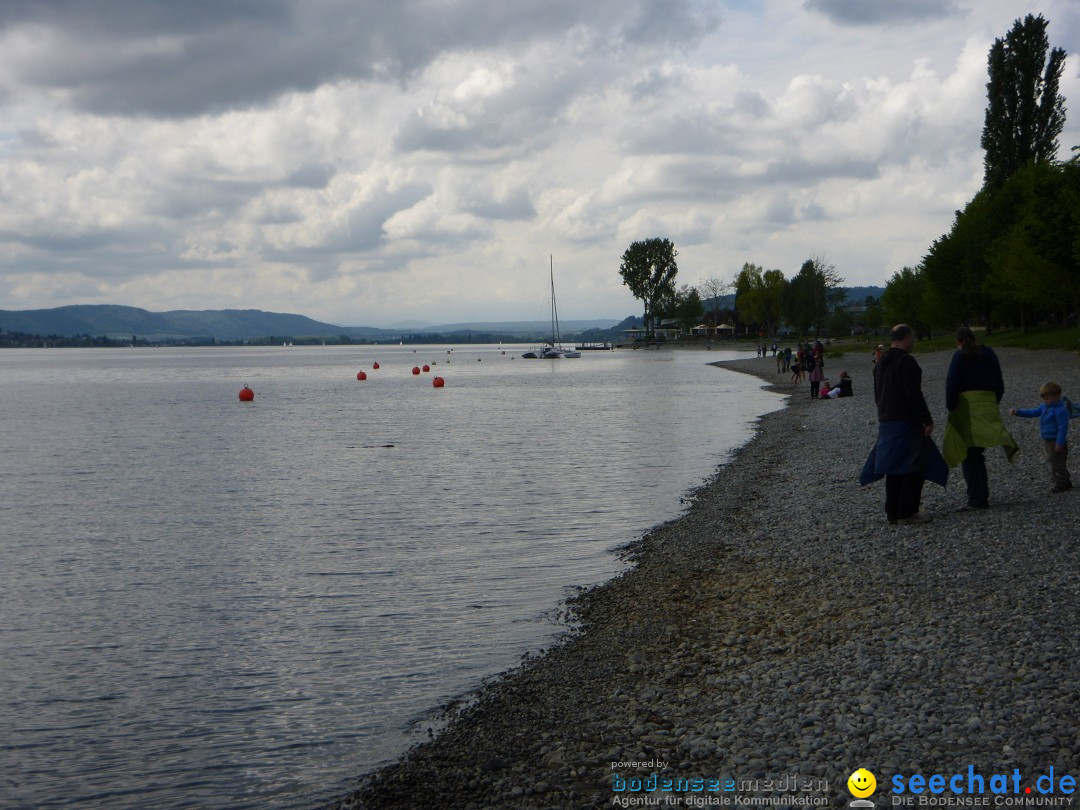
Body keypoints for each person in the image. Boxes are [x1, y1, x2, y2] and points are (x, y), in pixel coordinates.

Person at [859, 324, 947, 525]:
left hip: (886, 420)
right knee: (914, 465)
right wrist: (927, 419)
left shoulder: (880, 364)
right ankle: (906, 512)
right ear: (907, 337)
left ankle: (893, 512)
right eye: (912, 337)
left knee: (893, 466)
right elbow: (914, 395)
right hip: (906, 420)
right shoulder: (906, 362)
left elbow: (877, 394)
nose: (913, 341)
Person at [942, 327, 1017, 510]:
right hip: (987, 405)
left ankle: (977, 499)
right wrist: (992, 403)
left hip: (967, 408)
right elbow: (999, 384)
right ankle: (981, 495)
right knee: (977, 453)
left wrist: (951, 407)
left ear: (958, 342)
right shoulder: (989, 354)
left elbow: (951, 384)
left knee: (969, 454)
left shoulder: (960, 357)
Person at [1011, 381, 1073, 493]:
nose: (1045, 401)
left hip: (1056, 441)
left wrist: (1060, 442)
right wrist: (1018, 412)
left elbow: (1062, 428)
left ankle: (1061, 483)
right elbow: (1032, 412)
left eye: (1047, 399)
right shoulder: (1045, 407)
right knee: (1057, 461)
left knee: (1056, 461)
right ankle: (1065, 480)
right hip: (1048, 440)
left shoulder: (1060, 411)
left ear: (1055, 396)